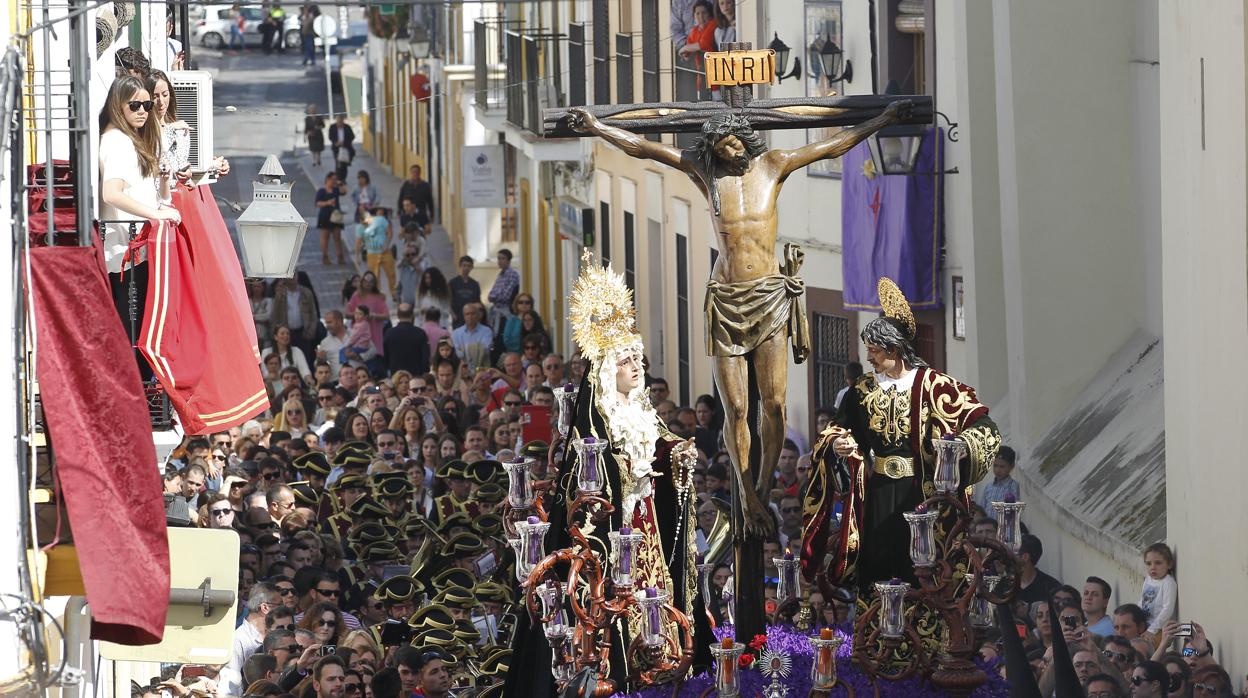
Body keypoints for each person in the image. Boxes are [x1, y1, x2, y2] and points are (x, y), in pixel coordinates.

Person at [504, 251, 705, 695]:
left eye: (639, 360)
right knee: (609, 599)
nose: (637, 368)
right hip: (613, 527)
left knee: (656, 595)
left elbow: (660, 439)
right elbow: (585, 481)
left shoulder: (640, 411)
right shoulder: (594, 422)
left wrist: (678, 454)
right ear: (607, 368)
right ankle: (612, 670)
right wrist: (625, 472)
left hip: (646, 523)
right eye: (628, 360)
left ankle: (663, 664)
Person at [805, 278, 1001, 593]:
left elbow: (984, 426)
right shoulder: (862, 390)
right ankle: (879, 631)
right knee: (880, 567)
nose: (868, 358)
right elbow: (839, 428)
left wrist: (963, 445)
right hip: (880, 494)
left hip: (924, 496)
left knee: (924, 569)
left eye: (874, 350)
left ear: (894, 349)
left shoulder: (937, 386)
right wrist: (838, 442)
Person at [98, 76, 179, 336]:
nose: (143, 111)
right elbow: (111, 193)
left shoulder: (126, 139)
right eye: (135, 106)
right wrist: (154, 215)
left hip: (131, 251)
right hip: (124, 253)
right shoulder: (118, 142)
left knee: (135, 328)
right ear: (118, 105)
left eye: (147, 105)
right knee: (132, 330)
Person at [222, 582, 282, 696]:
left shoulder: (276, 634)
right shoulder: (239, 639)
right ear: (265, 607)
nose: (284, 610)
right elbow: (231, 684)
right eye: (280, 605)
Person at [345, 272, 389, 358]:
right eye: (366, 281)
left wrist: (374, 316)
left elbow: (386, 315)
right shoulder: (356, 296)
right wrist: (359, 315)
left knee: (374, 358)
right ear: (362, 282)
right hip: (359, 336)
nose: (368, 284)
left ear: (374, 283)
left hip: (374, 334)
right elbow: (347, 313)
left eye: (371, 281)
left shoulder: (378, 297)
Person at [1140, 542, 1177, 635]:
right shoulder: (1148, 579)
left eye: (1158, 563)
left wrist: (1152, 630)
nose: (1152, 567)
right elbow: (1142, 600)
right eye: (1148, 563)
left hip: (1159, 630)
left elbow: (1167, 609)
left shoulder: (1168, 583)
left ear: (1169, 564)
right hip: (1144, 626)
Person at [384, 304, 430, 376]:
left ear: (398, 315)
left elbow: (385, 356)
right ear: (412, 315)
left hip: (396, 376)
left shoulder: (389, 333)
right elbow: (425, 358)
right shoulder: (420, 333)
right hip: (416, 375)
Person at [975, 445, 1021, 517]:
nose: (997, 470)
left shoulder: (1013, 487)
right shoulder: (989, 487)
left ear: (1012, 466)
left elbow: (1013, 513)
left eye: (1002, 466)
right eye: (995, 466)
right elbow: (982, 510)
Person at [315, 172, 348, 265]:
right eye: (333, 179)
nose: (334, 181)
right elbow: (317, 203)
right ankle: (325, 256)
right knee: (325, 237)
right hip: (325, 216)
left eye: (335, 179)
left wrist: (340, 183)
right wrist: (327, 203)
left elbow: (344, 191)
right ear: (328, 179)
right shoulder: (321, 191)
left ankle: (340, 256)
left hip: (336, 216)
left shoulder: (336, 190)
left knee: (337, 236)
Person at [451, 303, 493, 374]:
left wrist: (465, 349)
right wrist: (476, 348)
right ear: (464, 316)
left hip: (482, 370)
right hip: (463, 371)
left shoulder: (486, 331)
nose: (470, 316)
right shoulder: (456, 333)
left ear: (478, 315)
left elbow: (485, 350)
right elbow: (458, 354)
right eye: (467, 314)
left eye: (473, 313)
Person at [486, 248, 521, 331]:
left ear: (509, 260)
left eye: (502, 258)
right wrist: (496, 295)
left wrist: (495, 296)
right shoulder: (500, 275)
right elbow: (490, 295)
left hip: (506, 313)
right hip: (496, 312)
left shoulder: (512, 274)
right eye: (498, 258)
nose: (500, 261)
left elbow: (505, 296)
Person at [448, 255, 481, 327]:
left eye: (469, 266)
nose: (466, 268)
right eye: (464, 265)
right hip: (457, 318)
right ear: (460, 266)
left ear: (472, 267)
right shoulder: (452, 283)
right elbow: (448, 300)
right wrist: (452, 314)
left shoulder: (475, 284)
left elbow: (478, 303)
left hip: (471, 319)